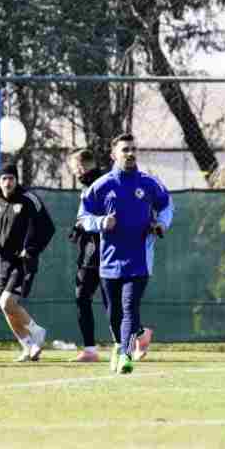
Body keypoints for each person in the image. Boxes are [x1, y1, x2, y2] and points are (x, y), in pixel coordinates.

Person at [77, 133, 172, 375]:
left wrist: (161, 223)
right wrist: (100, 222)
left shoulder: (148, 183)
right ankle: (120, 346)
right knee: (114, 313)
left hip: (139, 260)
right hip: (108, 262)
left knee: (130, 308)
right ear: (113, 155)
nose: (130, 154)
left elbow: (167, 205)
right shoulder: (101, 185)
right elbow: (83, 217)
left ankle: (126, 355)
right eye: (125, 150)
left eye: (133, 149)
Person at [0, 163, 56, 362]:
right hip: (3, 261)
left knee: (7, 302)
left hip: (23, 260)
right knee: (7, 307)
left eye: (11, 178)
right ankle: (29, 347)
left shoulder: (29, 199)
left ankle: (37, 332)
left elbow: (48, 228)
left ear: (17, 180)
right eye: (4, 178)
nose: (8, 182)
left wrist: (30, 249)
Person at [66, 149, 106, 362]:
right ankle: (90, 349)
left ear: (81, 167)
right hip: (91, 251)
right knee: (85, 297)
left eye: (74, 169)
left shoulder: (101, 185)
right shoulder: (89, 186)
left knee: (103, 299)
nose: (75, 173)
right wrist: (78, 228)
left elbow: (98, 218)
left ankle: (135, 334)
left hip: (102, 251)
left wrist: (84, 227)